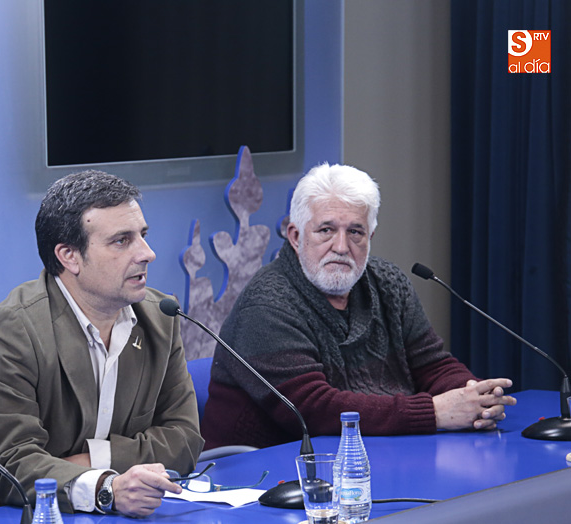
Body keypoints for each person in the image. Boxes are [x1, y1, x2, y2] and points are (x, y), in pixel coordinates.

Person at [0, 170, 203, 521]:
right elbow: (12, 465)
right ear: (69, 256)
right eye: (122, 241)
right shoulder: (12, 331)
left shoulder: (161, 317)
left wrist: (94, 461)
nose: (147, 253)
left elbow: (184, 439)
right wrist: (106, 486)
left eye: (142, 236)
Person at [203, 163, 516, 448]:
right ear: (296, 237)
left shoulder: (388, 282)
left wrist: (475, 397)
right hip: (267, 472)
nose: (341, 247)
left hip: (373, 453)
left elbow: (431, 365)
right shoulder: (266, 304)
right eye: (326, 230)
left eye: (355, 232)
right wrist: (434, 412)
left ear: (370, 237)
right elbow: (314, 410)